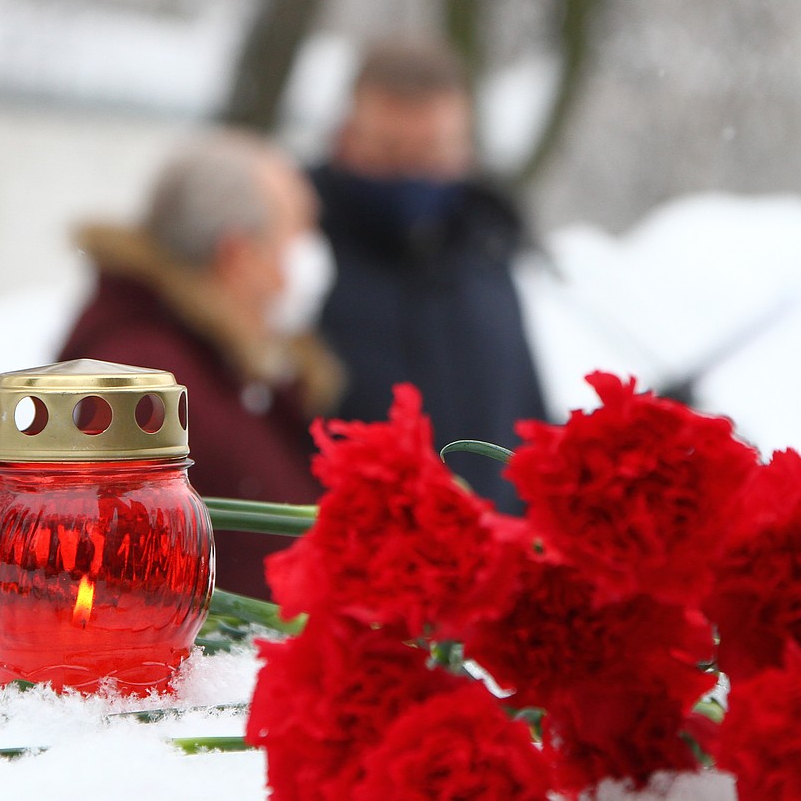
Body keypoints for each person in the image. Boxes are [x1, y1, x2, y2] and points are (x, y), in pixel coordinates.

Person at [59, 130, 343, 600]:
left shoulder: (218, 360)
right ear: (237, 255)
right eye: (298, 235)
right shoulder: (146, 383)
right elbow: (106, 580)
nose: (312, 260)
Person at [309, 36, 546, 514]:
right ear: (346, 138)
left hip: (488, 563)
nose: (414, 171)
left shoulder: (487, 256)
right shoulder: (298, 254)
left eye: (433, 150)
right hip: (347, 565)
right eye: (392, 150)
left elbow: (526, 428)